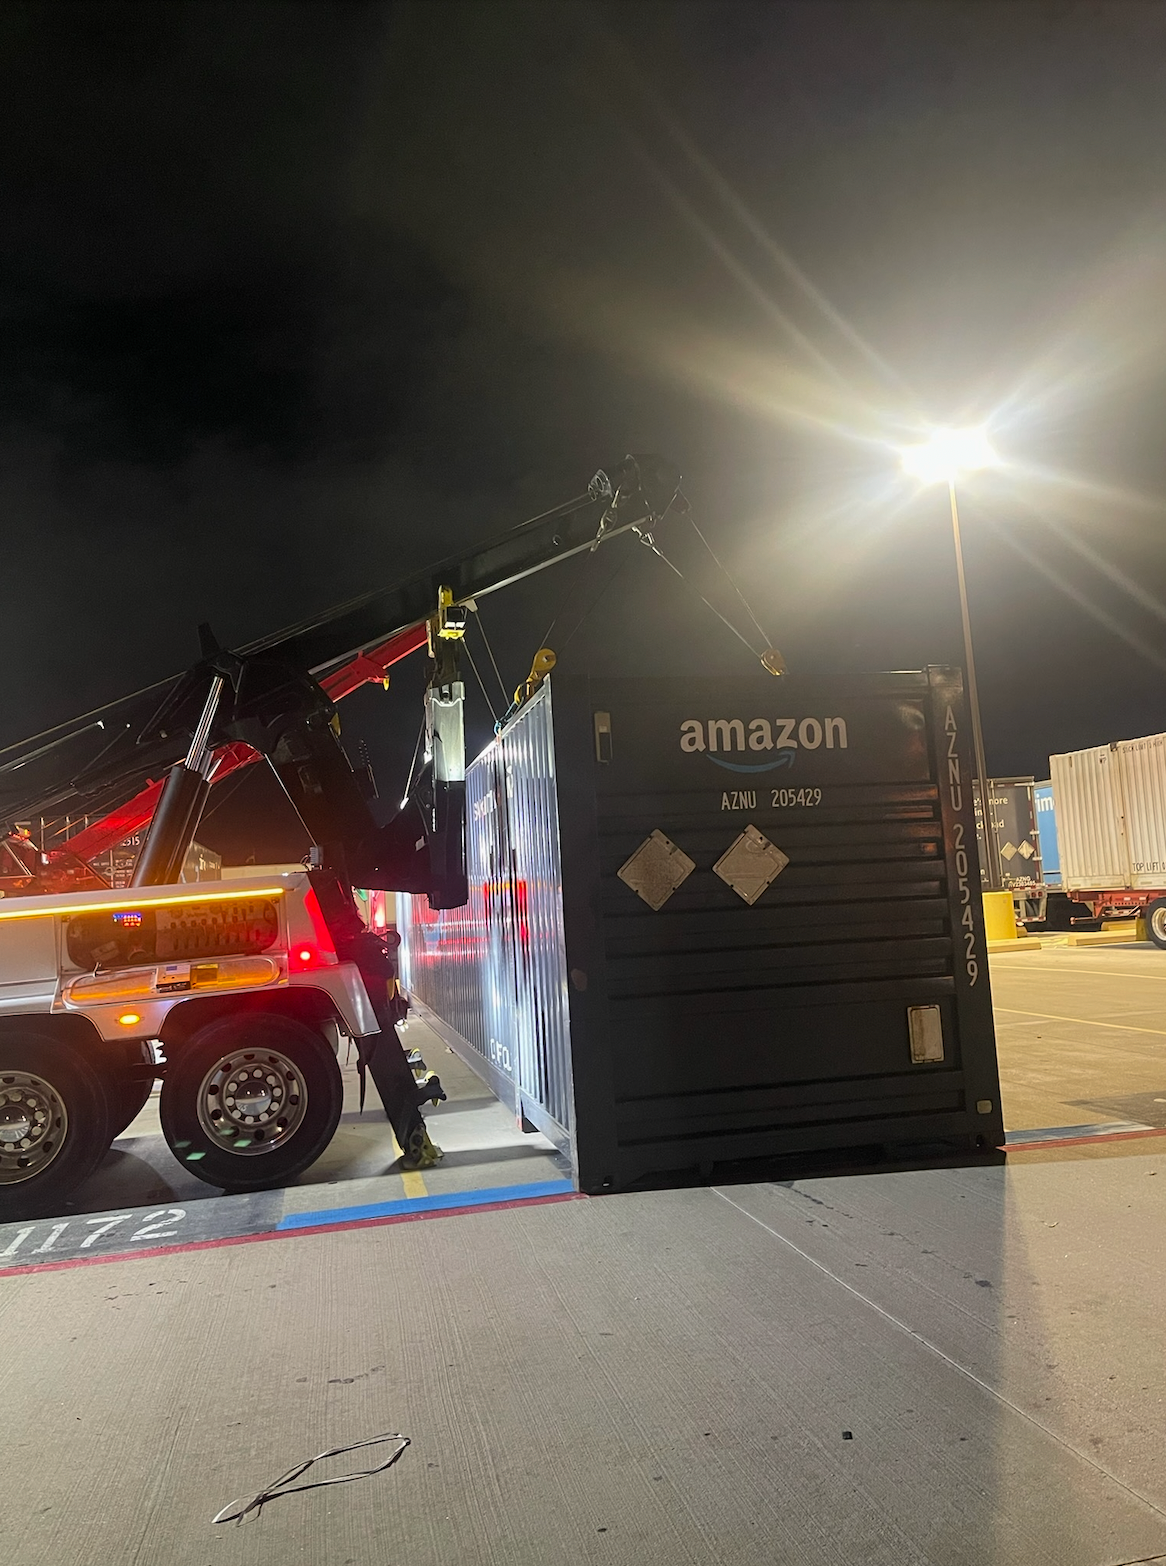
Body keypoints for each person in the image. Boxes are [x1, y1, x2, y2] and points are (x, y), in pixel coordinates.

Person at [310, 872, 444, 1170]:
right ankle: (415, 1142)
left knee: (383, 1049)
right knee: (384, 1051)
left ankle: (415, 1140)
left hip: (357, 973)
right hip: (359, 976)